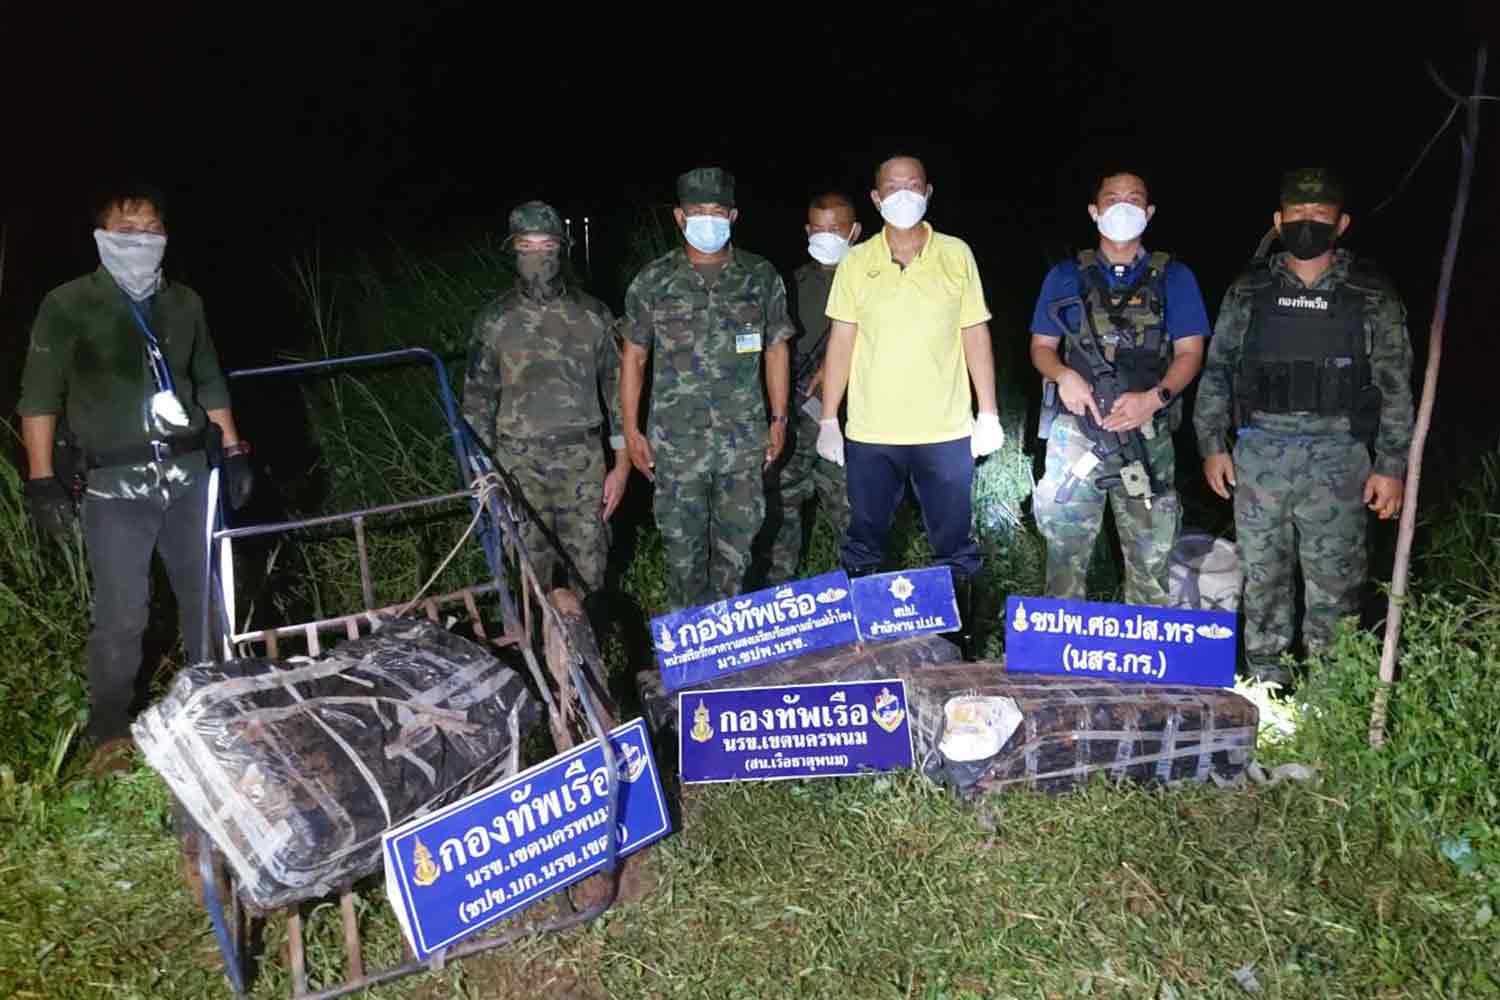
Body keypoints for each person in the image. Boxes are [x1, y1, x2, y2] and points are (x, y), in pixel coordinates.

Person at [17, 183, 253, 772]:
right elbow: (38, 399)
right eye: (126, 230)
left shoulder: (186, 303)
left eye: (151, 229)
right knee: (123, 614)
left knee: (209, 598)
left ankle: (215, 710)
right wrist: (41, 482)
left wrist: (234, 447)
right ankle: (110, 731)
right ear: (100, 237)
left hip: (190, 472)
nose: (139, 240)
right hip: (114, 485)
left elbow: (210, 381)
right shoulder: (67, 304)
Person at [1195, 167, 1413, 685]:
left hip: (1340, 455)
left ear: (1342, 224)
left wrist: (1393, 466)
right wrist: (1211, 444)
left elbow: (1395, 384)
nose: (1308, 224)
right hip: (1259, 450)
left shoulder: (1370, 292)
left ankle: (1328, 698)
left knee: (1335, 588)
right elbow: (1219, 369)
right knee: (1262, 578)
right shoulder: (1250, 289)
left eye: (1320, 216)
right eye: (1297, 216)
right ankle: (1266, 683)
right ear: (1278, 220)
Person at [815, 154, 1002, 656]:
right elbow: (842, 342)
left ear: (928, 192)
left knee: (955, 544)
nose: (903, 195)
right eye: (892, 187)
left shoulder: (956, 254)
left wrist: (988, 412)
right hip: (873, 433)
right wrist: (830, 418)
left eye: (912, 185)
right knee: (863, 540)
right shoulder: (856, 263)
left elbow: (975, 332)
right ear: (875, 199)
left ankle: (960, 646)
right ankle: (861, 651)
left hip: (944, 431)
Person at [1029, 169, 1209, 605]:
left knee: (1151, 558)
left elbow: (1190, 353)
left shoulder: (1175, 277)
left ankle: (1142, 664)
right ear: (1095, 211)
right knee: (1065, 554)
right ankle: (1060, 663)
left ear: (1148, 212)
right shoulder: (1065, 276)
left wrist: (1156, 397)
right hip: (1077, 431)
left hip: (1144, 434)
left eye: (1134, 199)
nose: (1123, 207)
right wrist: (1064, 375)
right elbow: (1041, 346)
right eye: (1112, 198)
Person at [621, 167, 794, 609]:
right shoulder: (653, 281)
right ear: (680, 216)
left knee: (738, 553)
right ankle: (690, 659)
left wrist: (779, 420)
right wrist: (631, 432)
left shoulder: (760, 276)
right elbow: (634, 357)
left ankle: (734, 654)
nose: (708, 220)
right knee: (683, 557)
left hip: (743, 442)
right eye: (698, 211)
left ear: (733, 216)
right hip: (675, 445)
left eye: (718, 211)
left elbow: (776, 350)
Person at [462, 200, 628, 596]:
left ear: (562, 248)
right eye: (527, 246)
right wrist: (482, 476)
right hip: (517, 466)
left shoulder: (593, 315)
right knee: (527, 577)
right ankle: (537, 649)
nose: (538, 255)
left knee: (591, 574)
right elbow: (476, 404)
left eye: (547, 245)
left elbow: (619, 393)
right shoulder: (494, 320)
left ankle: (590, 651)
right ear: (513, 251)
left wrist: (621, 466)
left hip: (583, 463)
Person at [759, 192, 857, 583]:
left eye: (836, 229)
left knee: (854, 516)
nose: (827, 236)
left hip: (853, 421)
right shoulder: (790, 285)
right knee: (781, 512)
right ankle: (781, 602)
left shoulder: (872, 280)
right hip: (797, 417)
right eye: (819, 229)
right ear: (806, 231)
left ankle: (863, 598)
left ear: (855, 231)